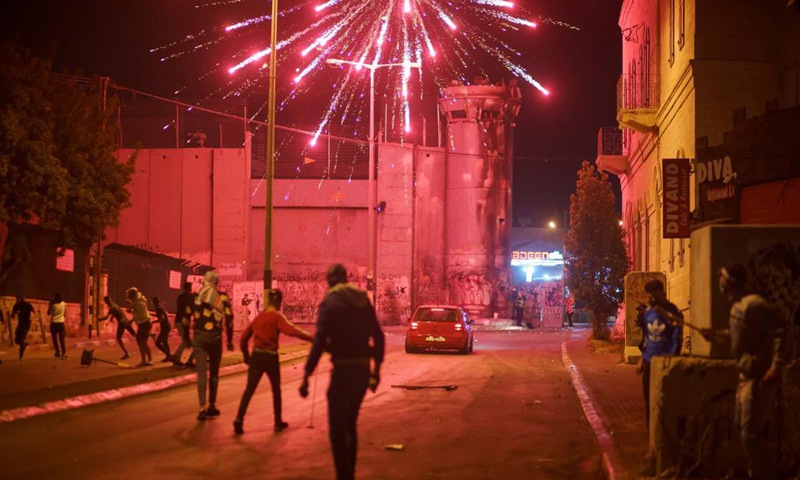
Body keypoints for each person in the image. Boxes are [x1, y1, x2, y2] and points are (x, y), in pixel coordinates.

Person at [701, 263, 788, 480]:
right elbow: (737, 338)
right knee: (742, 428)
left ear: (729, 281)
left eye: (721, 278)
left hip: (758, 379)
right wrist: (716, 336)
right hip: (745, 377)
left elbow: (781, 332)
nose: (719, 283)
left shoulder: (754, 305)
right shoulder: (738, 307)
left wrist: (775, 367)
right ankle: (753, 473)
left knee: (750, 433)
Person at [300, 264, 385, 480]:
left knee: (337, 429)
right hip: (363, 370)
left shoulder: (330, 302)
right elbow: (378, 336)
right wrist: (376, 372)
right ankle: (351, 474)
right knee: (350, 424)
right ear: (346, 278)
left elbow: (320, 340)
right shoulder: (362, 300)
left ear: (329, 281)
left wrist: (307, 374)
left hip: (343, 370)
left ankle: (343, 476)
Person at [234, 289, 313, 435]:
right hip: (270, 357)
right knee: (276, 390)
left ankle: (239, 419)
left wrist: (246, 356)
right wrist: (311, 338)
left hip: (257, 356)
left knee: (249, 389)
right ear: (278, 302)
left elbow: (244, 338)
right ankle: (277, 422)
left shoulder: (259, 317)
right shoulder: (276, 317)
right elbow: (292, 331)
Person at [637, 280, 683, 427]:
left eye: (653, 294)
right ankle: (652, 440)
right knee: (649, 402)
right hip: (650, 364)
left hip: (666, 363)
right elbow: (647, 339)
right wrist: (642, 360)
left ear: (661, 293)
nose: (650, 298)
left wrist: (673, 360)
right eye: (649, 295)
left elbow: (677, 337)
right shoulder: (648, 313)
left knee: (664, 403)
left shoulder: (673, 312)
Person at [192, 271, 231, 421]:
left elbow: (187, 316)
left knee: (201, 374)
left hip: (199, 337)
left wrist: (186, 338)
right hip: (215, 338)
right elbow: (229, 316)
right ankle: (212, 405)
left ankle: (202, 408)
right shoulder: (221, 297)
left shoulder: (197, 297)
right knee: (214, 373)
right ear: (216, 282)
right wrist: (228, 340)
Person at [126, 287, 153, 367]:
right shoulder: (138, 302)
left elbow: (141, 315)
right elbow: (138, 312)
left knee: (142, 343)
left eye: (129, 297)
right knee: (141, 343)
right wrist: (132, 319)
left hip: (144, 324)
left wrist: (131, 312)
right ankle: (145, 360)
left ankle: (148, 360)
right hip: (143, 324)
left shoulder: (139, 304)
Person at [171, 282, 195, 367]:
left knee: (187, 342)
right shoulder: (190, 297)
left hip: (178, 320)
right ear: (190, 288)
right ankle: (176, 357)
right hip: (183, 321)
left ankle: (187, 360)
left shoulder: (180, 297)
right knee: (186, 341)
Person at [151, 296, 172, 362]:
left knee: (158, 343)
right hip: (166, 326)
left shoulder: (158, 308)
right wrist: (152, 314)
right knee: (165, 342)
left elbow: (161, 319)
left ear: (154, 302)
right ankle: (168, 356)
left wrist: (153, 322)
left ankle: (169, 355)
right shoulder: (161, 306)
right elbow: (161, 316)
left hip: (165, 327)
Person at [48, 293, 67, 359]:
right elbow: (65, 314)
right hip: (61, 323)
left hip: (53, 323)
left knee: (55, 339)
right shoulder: (64, 304)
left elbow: (48, 313)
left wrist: (50, 306)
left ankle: (58, 352)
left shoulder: (52, 304)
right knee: (62, 339)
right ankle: (64, 353)